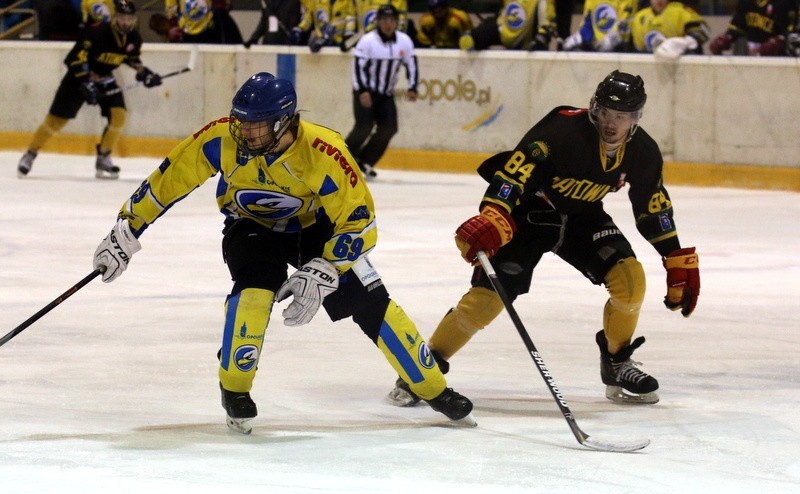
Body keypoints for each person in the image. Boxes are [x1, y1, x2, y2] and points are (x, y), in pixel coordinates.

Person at [90, 72, 475, 434]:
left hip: (316, 229)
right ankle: (235, 389)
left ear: (284, 122)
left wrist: (328, 266)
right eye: (241, 122)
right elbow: (167, 181)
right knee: (254, 293)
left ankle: (434, 389)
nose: (245, 133)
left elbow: (360, 221)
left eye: (256, 125)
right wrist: (127, 228)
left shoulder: (324, 152)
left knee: (371, 302)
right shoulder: (220, 137)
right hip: (250, 226)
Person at [387, 71, 701, 408]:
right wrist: (494, 215)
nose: (612, 123)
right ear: (595, 108)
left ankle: (617, 362)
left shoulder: (643, 152)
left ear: (635, 118)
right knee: (486, 300)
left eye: (622, 116)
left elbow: (652, 206)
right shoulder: (561, 130)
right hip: (529, 216)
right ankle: (425, 368)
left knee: (631, 281)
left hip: (583, 217)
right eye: (607, 113)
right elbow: (513, 174)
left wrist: (674, 256)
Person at [17, 0, 162, 179]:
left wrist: (145, 73)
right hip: (78, 79)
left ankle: (104, 156)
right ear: (115, 16)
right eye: (122, 17)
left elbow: (130, 58)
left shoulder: (133, 38)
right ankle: (30, 154)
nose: (125, 22)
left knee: (119, 116)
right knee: (55, 121)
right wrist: (87, 81)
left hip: (105, 79)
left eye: (129, 18)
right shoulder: (96, 32)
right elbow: (75, 59)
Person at [344, 3, 417, 180]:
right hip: (365, 90)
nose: (388, 24)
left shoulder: (404, 41)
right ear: (377, 21)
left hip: (385, 94)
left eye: (391, 19)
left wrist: (413, 86)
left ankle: (364, 161)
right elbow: (358, 68)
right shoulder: (367, 41)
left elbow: (412, 63)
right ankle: (342, 158)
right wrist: (362, 91)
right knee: (364, 126)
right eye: (384, 19)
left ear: (397, 22)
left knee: (390, 128)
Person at [458, 0, 557, 51]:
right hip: (503, 28)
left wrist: (543, 36)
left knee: (538, 48)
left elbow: (547, 16)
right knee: (469, 40)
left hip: (528, 39)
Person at [708, 0, 798, 56]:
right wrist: (726, 38)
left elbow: (791, 32)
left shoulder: (785, 3)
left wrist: (779, 41)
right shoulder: (746, 2)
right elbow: (737, 26)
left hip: (778, 60)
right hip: (750, 55)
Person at [628, 0, 709, 61]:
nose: (659, 1)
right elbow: (636, 48)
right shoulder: (640, 17)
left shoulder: (681, 12)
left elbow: (703, 31)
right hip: (651, 67)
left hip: (680, 63)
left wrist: (686, 42)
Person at [561, 0, 638, 52]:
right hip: (598, 49)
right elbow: (587, 24)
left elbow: (623, 26)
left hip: (622, 50)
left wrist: (607, 42)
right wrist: (578, 38)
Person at [289, 0, 357, 52]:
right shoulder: (317, 1)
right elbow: (308, 17)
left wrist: (348, 37)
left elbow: (351, 19)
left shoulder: (347, 1)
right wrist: (299, 29)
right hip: (318, 44)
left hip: (338, 44)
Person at [164, 0, 243, 44]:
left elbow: (225, 6)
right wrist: (172, 27)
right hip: (185, 33)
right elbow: (171, 8)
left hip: (212, 28)